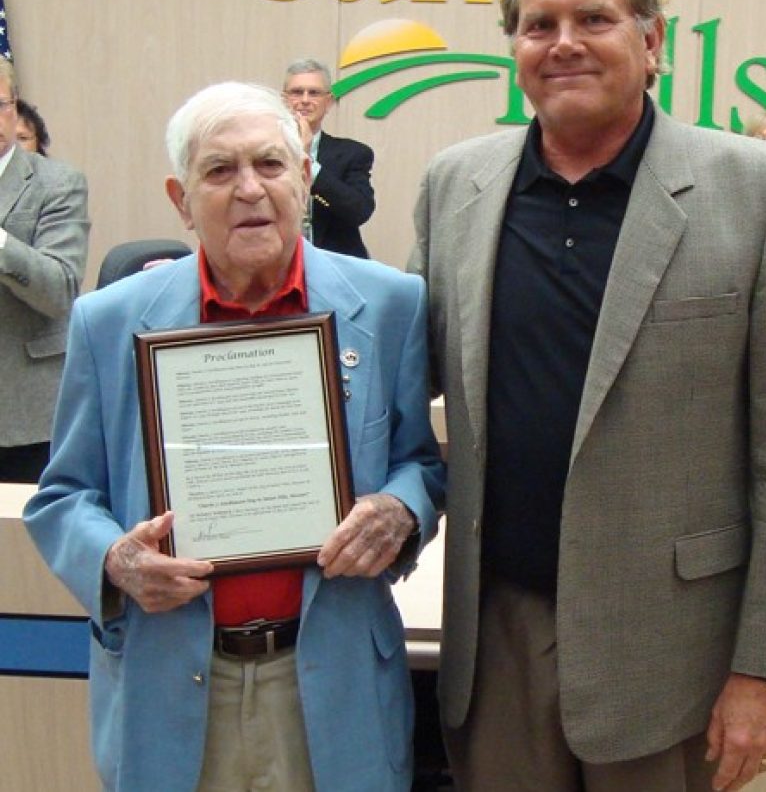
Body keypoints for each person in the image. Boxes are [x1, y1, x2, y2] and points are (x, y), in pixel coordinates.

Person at [409, 0, 766, 792]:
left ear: (652, 43)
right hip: (498, 641)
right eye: (538, 25)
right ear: (516, 50)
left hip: (673, 654)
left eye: (593, 18)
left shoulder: (763, 192)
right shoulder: (454, 186)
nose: (563, 43)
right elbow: (394, 381)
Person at [24, 82, 444, 791]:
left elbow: (421, 465)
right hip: (175, 681)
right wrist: (115, 563)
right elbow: (62, 496)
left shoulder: (391, 304)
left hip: (333, 681)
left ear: (305, 178)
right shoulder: (108, 320)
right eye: (219, 171)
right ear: (180, 200)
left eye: (270, 165)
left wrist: (401, 510)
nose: (249, 189)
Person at [0, 60, 89, 482]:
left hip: (24, 416)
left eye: (0, 104)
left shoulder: (56, 183)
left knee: (23, 547)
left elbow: (58, 289)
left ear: (14, 107)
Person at [282, 57, 375, 257]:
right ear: (284, 100)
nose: (305, 100)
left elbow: (359, 211)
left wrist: (307, 162)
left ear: (329, 102)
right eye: (297, 92)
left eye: (314, 93)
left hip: (336, 267)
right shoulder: (261, 152)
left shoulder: (353, 154)